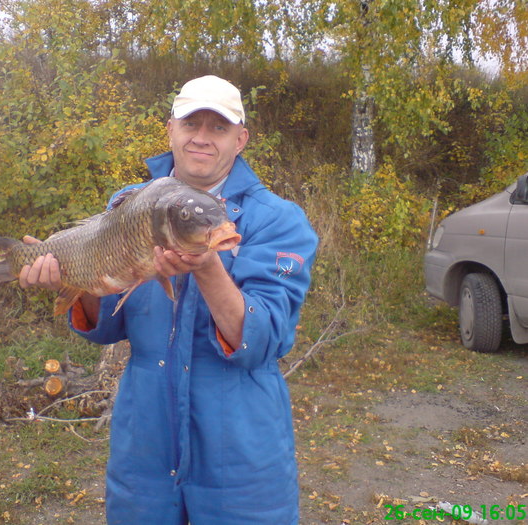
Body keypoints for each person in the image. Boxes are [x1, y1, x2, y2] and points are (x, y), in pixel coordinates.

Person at [19, 75, 318, 525]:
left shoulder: (279, 220)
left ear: (241, 140)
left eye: (217, 128)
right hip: (144, 454)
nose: (201, 138)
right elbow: (109, 326)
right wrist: (71, 283)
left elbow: (263, 340)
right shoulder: (129, 204)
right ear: (170, 130)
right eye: (190, 124)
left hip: (240, 456)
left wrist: (208, 268)